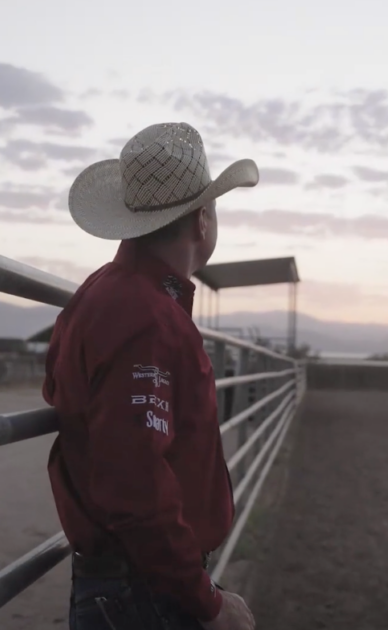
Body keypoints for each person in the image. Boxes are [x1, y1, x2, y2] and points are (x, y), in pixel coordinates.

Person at [42, 122, 260, 630]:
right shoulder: (146, 317)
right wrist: (206, 602)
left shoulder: (105, 293)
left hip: (132, 581)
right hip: (144, 592)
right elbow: (134, 481)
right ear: (202, 220)